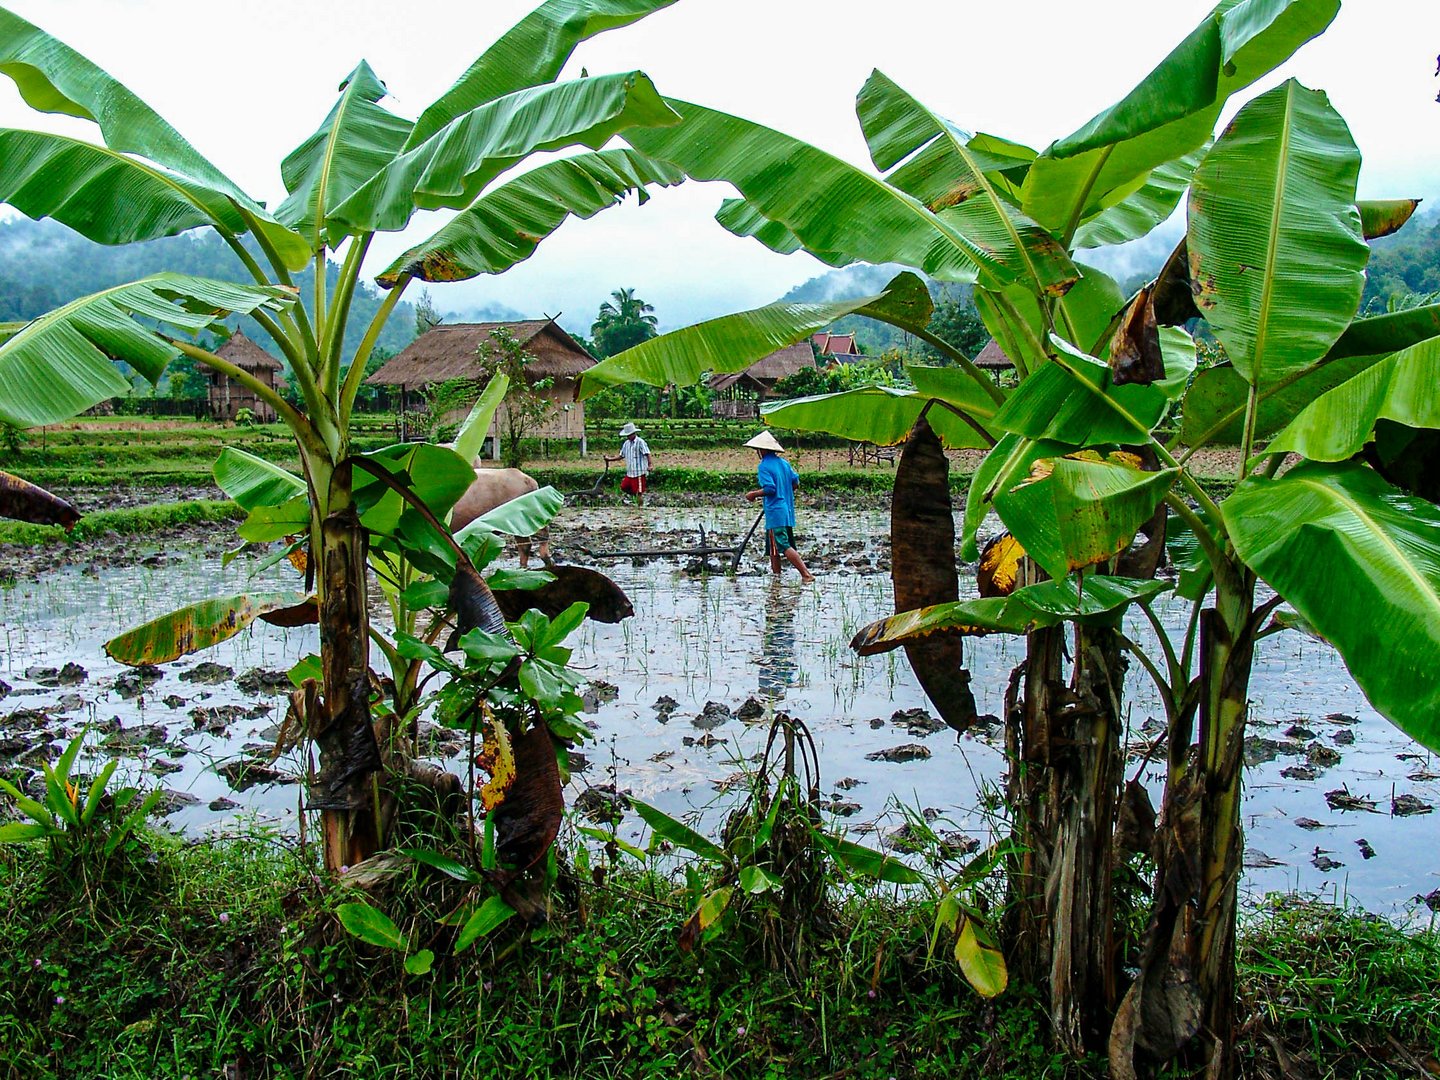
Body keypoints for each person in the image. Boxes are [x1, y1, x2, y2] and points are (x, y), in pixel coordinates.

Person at [744, 430, 815, 582]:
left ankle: (806, 574)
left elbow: (770, 488)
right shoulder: (784, 463)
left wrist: (753, 494)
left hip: (776, 511)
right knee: (773, 547)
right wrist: (785, 492)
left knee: (783, 544)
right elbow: (795, 482)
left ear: (762, 450)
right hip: (786, 509)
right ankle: (777, 577)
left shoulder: (764, 466)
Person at [606, 422, 651, 507]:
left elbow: (647, 453)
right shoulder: (626, 444)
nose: (628, 436)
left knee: (639, 492)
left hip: (639, 472)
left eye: (629, 435)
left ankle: (640, 507)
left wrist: (650, 465)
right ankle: (635, 500)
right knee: (624, 487)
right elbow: (621, 456)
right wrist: (610, 459)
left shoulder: (640, 442)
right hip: (630, 472)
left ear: (633, 433)